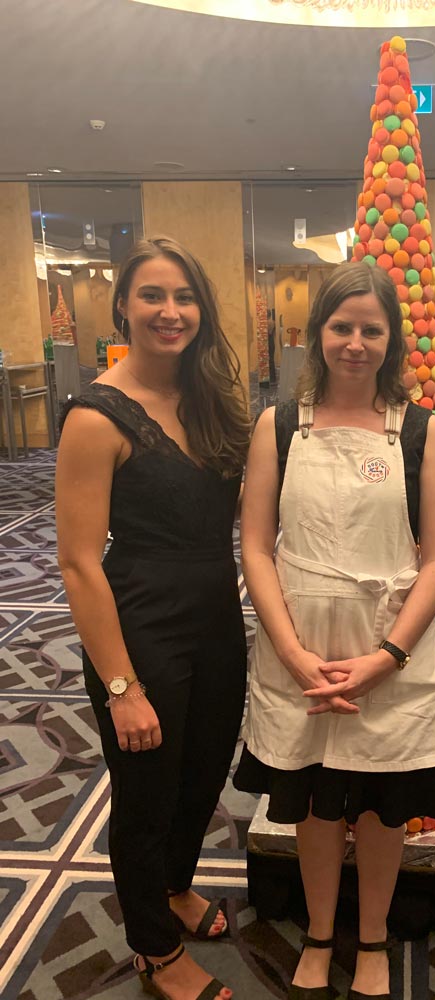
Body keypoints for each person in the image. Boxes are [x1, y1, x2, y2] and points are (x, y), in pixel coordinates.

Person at [233, 262, 435, 1000]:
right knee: (316, 805)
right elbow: (256, 547)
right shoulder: (280, 425)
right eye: (342, 326)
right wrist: (293, 654)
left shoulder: (424, 432)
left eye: (371, 329)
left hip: (389, 653)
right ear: (318, 334)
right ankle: (322, 931)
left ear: (391, 339)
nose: (355, 343)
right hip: (299, 646)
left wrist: (388, 656)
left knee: (380, 806)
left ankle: (371, 938)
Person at [56, 236, 251, 1000]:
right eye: (153, 297)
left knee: (202, 774)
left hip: (215, 615)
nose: (170, 312)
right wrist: (119, 684)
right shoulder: (95, 415)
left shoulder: (209, 401)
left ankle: (174, 886)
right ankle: (154, 947)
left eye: (184, 298)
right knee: (146, 793)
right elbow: (78, 561)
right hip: (139, 624)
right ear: (124, 308)